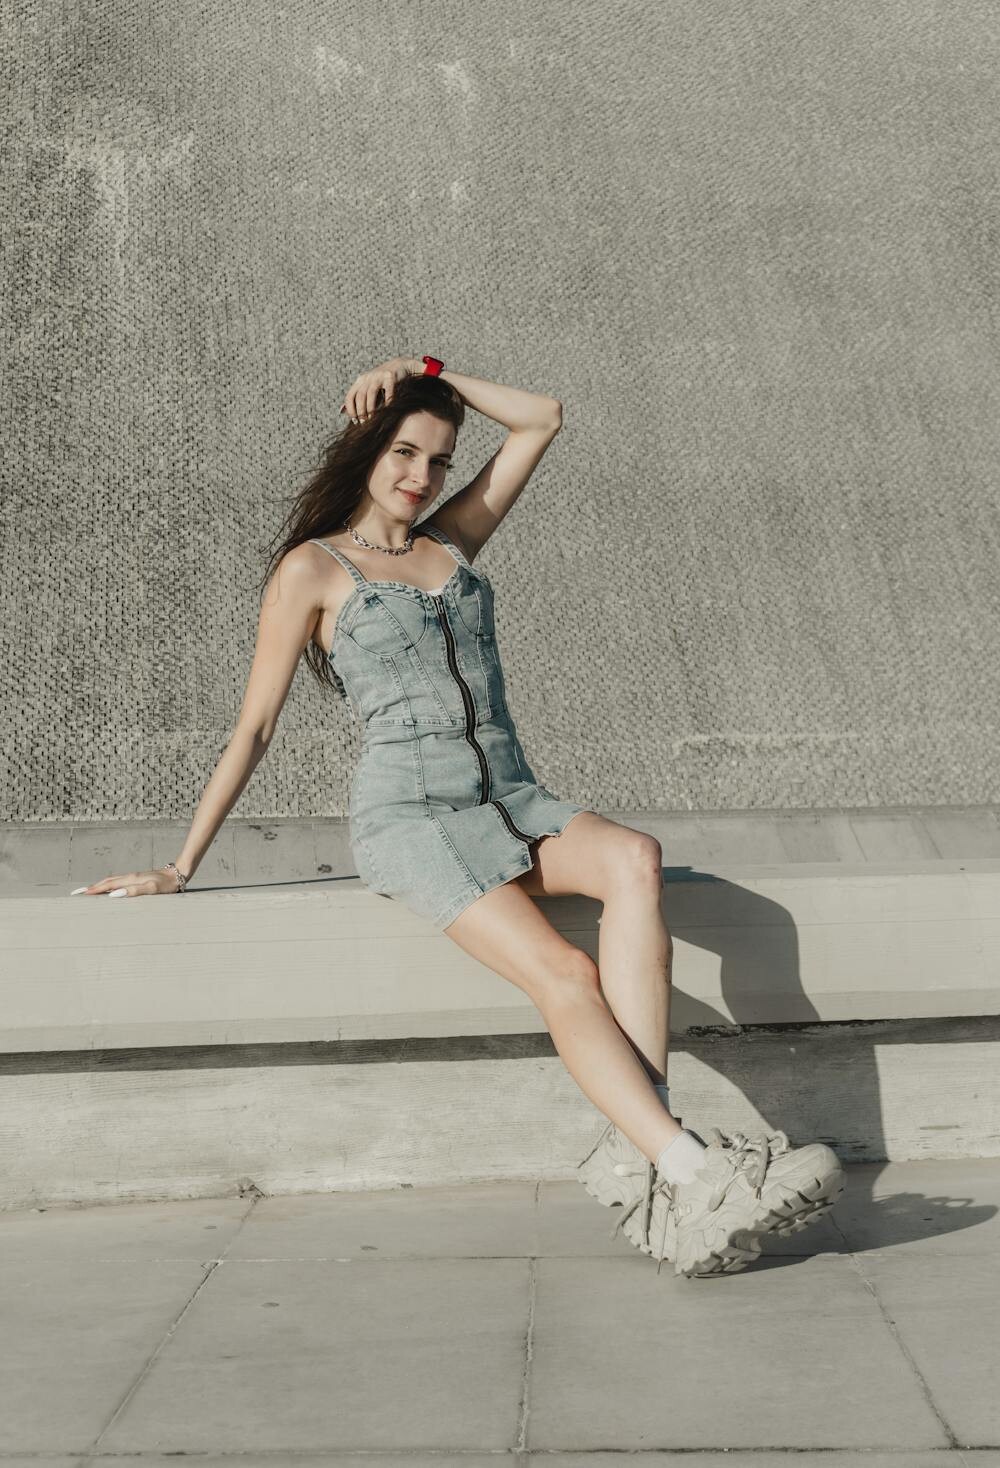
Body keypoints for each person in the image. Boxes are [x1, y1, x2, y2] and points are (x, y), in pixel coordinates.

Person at [71, 353, 844, 1277]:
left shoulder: (452, 540)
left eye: (439, 460)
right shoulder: (312, 569)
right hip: (413, 818)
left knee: (634, 858)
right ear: (366, 449)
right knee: (565, 970)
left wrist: (428, 366)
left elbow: (542, 417)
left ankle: (656, 1158)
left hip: (512, 798)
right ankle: (690, 1170)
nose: (422, 475)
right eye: (405, 452)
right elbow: (255, 727)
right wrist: (180, 866)